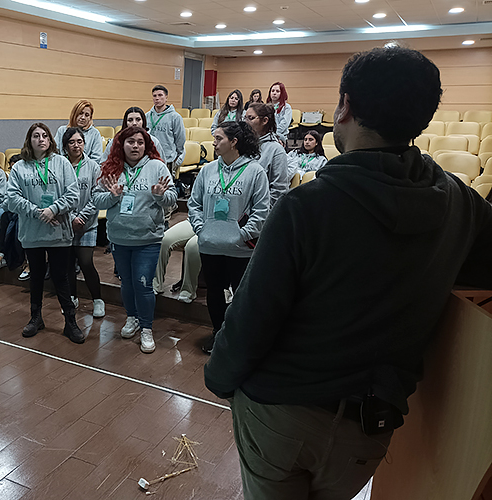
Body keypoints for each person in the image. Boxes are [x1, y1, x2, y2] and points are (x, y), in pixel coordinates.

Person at [204, 46, 492, 500]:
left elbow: (252, 317)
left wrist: (219, 378)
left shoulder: (306, 206)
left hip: (281, 410)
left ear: (345, 107)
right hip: (371, 423)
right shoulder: (459, 201)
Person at [92, 126, 177, 353]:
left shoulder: (156, 166)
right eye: (131, 142)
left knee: (142, 283)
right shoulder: (111, 168)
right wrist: (112, 196)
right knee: (127, 283)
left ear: (146, 145)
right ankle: (132, 318)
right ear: (122, 144)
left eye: (140, 142)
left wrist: (160, 195)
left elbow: (172, 199)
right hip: (120, 237)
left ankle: (147, 328)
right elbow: (97, 201)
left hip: (148, 238)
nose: (136, 146)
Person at [188, 121, 270, 354]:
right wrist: (200, 229)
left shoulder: (255, 171)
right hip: (210, 245)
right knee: (215, 291)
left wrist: (242, 235)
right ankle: (218, 333)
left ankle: (240, 337)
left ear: (234, 142)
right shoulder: (207, 170)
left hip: (240, 248)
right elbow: (194, 203)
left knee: (242, 296)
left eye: (218, 139)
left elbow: (262, 210)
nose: (213, 143)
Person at [6, 123, 84, 344]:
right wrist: (38, 212)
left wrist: (54, 209)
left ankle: (70, 322)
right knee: (36, 277)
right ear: (29, 141)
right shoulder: (20, 167)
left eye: (44, 136)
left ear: (50, 140)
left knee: (61, 277)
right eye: (35, 136)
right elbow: (12, 198)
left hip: (59, 231)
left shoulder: (62, 163)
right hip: (33, 232)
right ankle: (35, 318)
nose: (41, 139)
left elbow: (73, 194)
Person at [61, 127, 105, 318]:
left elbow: (97, 195)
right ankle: (72, 297)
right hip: (66, 222)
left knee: (86, 262)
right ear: (65, 146)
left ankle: (98, 300)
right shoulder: (60, 165)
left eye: (80, 141)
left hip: (87, 223)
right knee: (68, 263)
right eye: (72, 142)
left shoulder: (93, 166)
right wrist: (71, 217)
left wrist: (83, 217)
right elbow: (58, 194)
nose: (76, 145)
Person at [245, 103, 289, 207]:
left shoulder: (276, 150)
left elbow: (279, 191)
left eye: (250, 118)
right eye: (245, 118)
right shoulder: (242, 145)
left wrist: (259, 213)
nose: (245, 122)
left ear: (265, 120)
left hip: (260, 213)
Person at [0, 153, 23, 272]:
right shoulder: (10, 181)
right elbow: (5, 203)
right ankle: (1, 255)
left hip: (25, 212)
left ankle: (24, 260)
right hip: (12, 211)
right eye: (12, 168)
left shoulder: (27, 179)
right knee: (5, 216)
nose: (14, 171)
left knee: (17, 221)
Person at [152, 218, 200, 304]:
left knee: (192, 247)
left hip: (216, 226)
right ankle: (156, 284)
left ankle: (188, 291)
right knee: (164, 240)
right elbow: (194, 206)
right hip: (196, 219)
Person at [146, 85, 186, 176]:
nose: (157, 98)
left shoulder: (175, 117)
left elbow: (180, 139)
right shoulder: (147, 116)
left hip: (167, 159)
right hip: (150, 158)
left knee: (165, 185)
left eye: (160, 95)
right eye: (154, 96)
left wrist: (177, 155)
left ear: (166, 97)